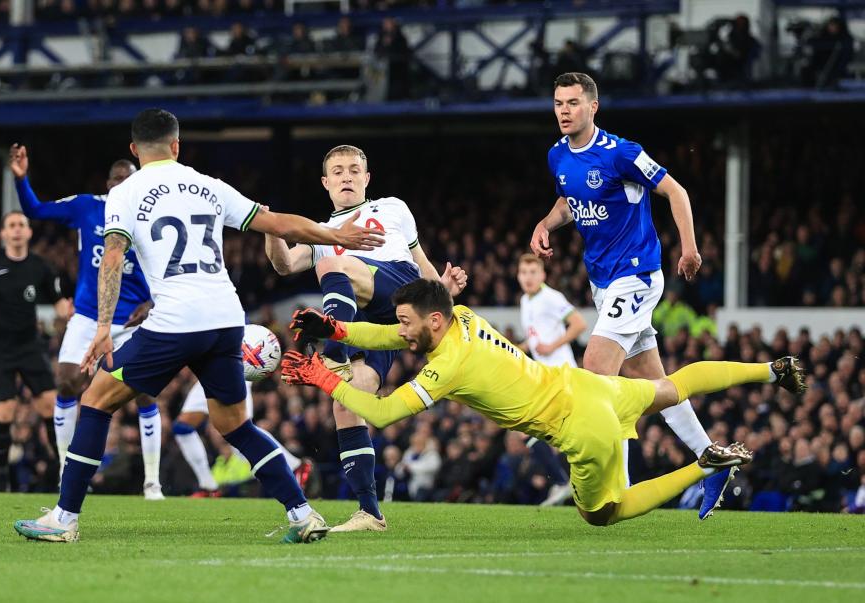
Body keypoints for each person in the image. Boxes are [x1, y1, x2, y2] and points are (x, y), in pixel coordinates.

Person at [13, 107, 385, 544]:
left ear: (134, 149)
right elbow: (278, 221)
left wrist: (101, 327)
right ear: (177, 145)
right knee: (234, 425)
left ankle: (64, 518)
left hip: (175, 321)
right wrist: (336, 236)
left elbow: (112, 256)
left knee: (95, 402)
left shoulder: (125, 192)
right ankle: (302, 514)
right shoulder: (208, 185)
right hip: (227, 320)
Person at [280, 279, 807, 526]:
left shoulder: (447, 367)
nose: (400, 329)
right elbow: (393, 337)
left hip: (577, 424)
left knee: (603, 513)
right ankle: (769, 369)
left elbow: (382, 413)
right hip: (585, 385)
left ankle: (703, 463)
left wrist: (319, 376)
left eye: (406, 320)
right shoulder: (459, 317)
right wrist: (337, 328)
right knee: (673, 387)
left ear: (432, 320)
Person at [529, 72, 730, 520]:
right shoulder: (557, 155)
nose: (564, 110)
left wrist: (690, 248)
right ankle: (713, 458)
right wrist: (545, 224)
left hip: (637, 275)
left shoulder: (621, 152)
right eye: (558, 103)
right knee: (650, 384)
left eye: (573, 103)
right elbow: (567, 202)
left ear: (593, 107)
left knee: (597, 370)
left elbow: (674, 191)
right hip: (603, 284)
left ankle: (615, 485)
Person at [263, 144, 467, 532]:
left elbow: (422, 265)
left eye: (354, 170)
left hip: (398, 289)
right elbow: (285, 264)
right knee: (350, 399)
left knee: (333, 263)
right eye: (337, 171)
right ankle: (370, 512)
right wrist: (272, 228)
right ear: (325, 182)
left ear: (367, 178)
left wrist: (443, 287)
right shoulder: (321, 232)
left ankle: (333, 350)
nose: (346, 176)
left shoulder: (392, 208)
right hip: (370, 320)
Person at [9, 145, 166, 500]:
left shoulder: (152, 216)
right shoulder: (87, 206)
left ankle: (152, 482)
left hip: (130, 320)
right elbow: (35, 209)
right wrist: (21, 180)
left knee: (143, 392)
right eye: (117, 178)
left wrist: (152, 302)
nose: (122, 183)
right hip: (87, 316)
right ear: (108, 183)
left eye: (129, 178)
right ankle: (66, 470)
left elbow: (168, 269)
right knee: (66, 383)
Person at [0, 211, 69, 492]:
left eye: (22, 225)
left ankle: (63, 474)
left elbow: (58, 301)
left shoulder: (40, 267)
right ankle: (2, 478)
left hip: (30, 344)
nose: (17, 230)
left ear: (29, 233)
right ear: (4, 233)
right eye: (12, 226)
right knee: (5, 410)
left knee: (49, 405)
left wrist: (69, 316)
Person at [516, 253, 587, 506]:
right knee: (538, 432)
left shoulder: (552, 298)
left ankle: (563, 482)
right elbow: (536, 338)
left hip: (561, 375)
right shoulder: (526, 300)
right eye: (524, 272)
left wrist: (552, 345)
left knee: (530, 428)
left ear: (543, 275)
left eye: (533, 272)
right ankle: (565, 483)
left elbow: (579, 324)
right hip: (544, 377)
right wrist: (518, 348)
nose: (528, 278)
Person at [174, 378, 311, 497]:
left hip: (231, 362)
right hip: (208, 369)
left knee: (240, 434)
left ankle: (295, 466)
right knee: (182, 428)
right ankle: (209, 486)